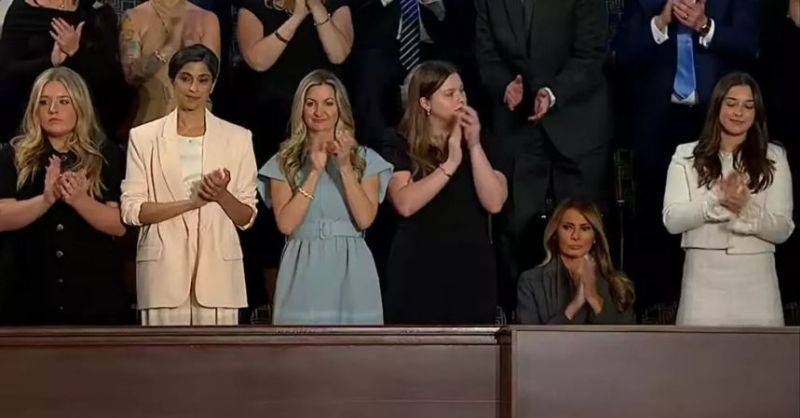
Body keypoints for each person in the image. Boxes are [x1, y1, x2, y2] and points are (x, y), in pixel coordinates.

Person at [613, 0, 758, 310]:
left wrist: (705, 26)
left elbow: (750, 44)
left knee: (714, 209)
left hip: (715, 123)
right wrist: (660, 23)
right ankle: (656, 307)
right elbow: (621, 53)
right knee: (656, 215)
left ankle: (714, 305)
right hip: (658, 125)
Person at [475, 0, 612, 315]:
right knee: (514, 228)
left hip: (576, 121)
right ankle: (521, 317)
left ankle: (587, 317)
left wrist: (552, 93)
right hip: (518, 124)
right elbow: (487, 56)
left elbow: (591, 54)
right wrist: (505, 86)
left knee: (582, 228)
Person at [121, 45, 258, 326]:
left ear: (212, 85)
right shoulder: (144, 138)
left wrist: (221, 195)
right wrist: (190, 203)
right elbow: (132, 211)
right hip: (163, 276)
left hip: (219, 279)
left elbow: (246, 217)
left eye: (202, 80)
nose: (193, 88)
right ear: (173, 80)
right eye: (186, 78)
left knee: (216, 356)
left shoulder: (238, 138)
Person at [258, 69, 392, 325]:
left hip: (352, 266)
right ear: (301, 109)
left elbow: (365, 219)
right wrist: (314, 172)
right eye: (311, 103)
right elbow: (286, 224)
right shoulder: (283, 162)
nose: (319, 111)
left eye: (328, 103)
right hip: (302, 265)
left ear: (340, 108)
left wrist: (344, 167)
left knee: (354, 345)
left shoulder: (365, 159)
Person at [0, 67, 131, 325]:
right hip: (28, 294)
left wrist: (80, 200)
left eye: (63, 101)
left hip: (93, 297)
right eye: (44, 102)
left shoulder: (106, 155)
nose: (53, 110)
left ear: (80, 106)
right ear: (34, 109)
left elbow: (119, 225)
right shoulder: (12, 155)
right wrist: (46, 200)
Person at [663, 73, 794, 326]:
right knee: (700, 351)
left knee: (759, 351)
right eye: (731, 103)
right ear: (717, 106)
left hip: (757, 283)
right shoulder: (686, 156)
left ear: (756, 112)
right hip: (702, 282)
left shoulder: (774, 157)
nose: (738, 113)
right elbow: (672, 220)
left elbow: (783, 229)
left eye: (748, 106)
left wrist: (747, 209)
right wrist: (713, 201)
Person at [382, 61, 507, 324]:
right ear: (425, 102)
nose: (460, 99)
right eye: (449, 94)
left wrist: (473, 146)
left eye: (461, 91)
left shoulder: (485, 142)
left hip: (471, 266)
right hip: (418, 266)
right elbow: (404, 203)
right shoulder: (399, 142)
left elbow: (495, 202)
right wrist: (450, 163)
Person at [0, 0, 128, 144]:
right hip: (32, 125)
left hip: (87, 127)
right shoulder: (22, 11)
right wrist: (51, 62)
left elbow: (111, 80)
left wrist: (76, 52)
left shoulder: (97, 14)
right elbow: (7, 72)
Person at [517, 198, 636, 325]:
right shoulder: (531, 282)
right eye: (568, 227)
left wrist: (593, 298)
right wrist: (574, 306)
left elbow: (628, 334)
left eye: (585, 228)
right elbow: (530, 336)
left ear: (595, 236)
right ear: (555, 233)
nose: (576, 236)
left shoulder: (617, 284)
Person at [119, 0, 220, 127]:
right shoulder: (134, 17)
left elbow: (211, 80)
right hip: (150, 122)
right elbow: (131, 75)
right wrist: (168, 48)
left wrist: (191, 53)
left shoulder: (206, 19)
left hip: (196, 126)